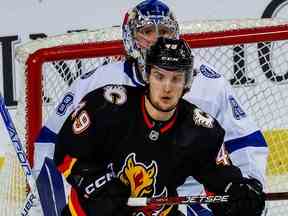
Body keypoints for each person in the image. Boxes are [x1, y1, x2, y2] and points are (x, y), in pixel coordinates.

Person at [33, 0, 268, 215]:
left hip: (180, 195)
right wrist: (86, 183)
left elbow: (239, 145)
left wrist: (244, 187)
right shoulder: (98, 87)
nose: (157, 39)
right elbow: (55, 145)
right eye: (146, 31)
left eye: (164, 31)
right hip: (108, 196)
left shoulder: (209, 86)